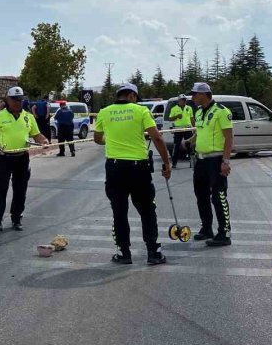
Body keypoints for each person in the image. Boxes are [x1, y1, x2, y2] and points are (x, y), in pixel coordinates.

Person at [94, 83, 171, 265]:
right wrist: (166, 163)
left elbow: (97, 138)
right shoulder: (141, 111)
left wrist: (112, 139)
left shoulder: (104, 112)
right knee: (147, 210)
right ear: (132, 96)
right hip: (138, 169)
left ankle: (124, 253)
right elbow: (157, 137)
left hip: (114, 168)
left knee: (119, 211)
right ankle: (153, 252)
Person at [0, 87, 49, 236]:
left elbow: (36, 134)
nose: (18, 102)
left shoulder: (28, 117)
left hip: (22, 158)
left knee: (20, 190)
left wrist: (43, 140)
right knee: (0, 190)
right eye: (14, 99)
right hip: (4, 158)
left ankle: (16, 219)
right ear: (7, 100)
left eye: (20, 99)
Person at [183, 82, 233, 247]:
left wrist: (225, 161)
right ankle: (207, 228)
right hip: (201, 160)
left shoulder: (221, 111)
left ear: (203, 94)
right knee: (201, 195)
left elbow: (229, 138)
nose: (192, 97)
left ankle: (224, 233)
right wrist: (190, 141)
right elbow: (199, 132)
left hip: (216, 159)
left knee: (218, 197)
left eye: (194, 94)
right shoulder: (198, 112)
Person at [168, 94, 194, 168]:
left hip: (188, 128)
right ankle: (174, 163)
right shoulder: (174, 108)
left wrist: (194, 128)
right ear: (179, 100)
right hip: (178, 129)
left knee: (190, 146)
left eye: (185, 100)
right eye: (183, 100)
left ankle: (192, 162)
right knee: (176, 146)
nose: (184, 101)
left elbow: (192, 118)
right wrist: (177, 116)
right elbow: (170, 118)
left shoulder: (189, 108)